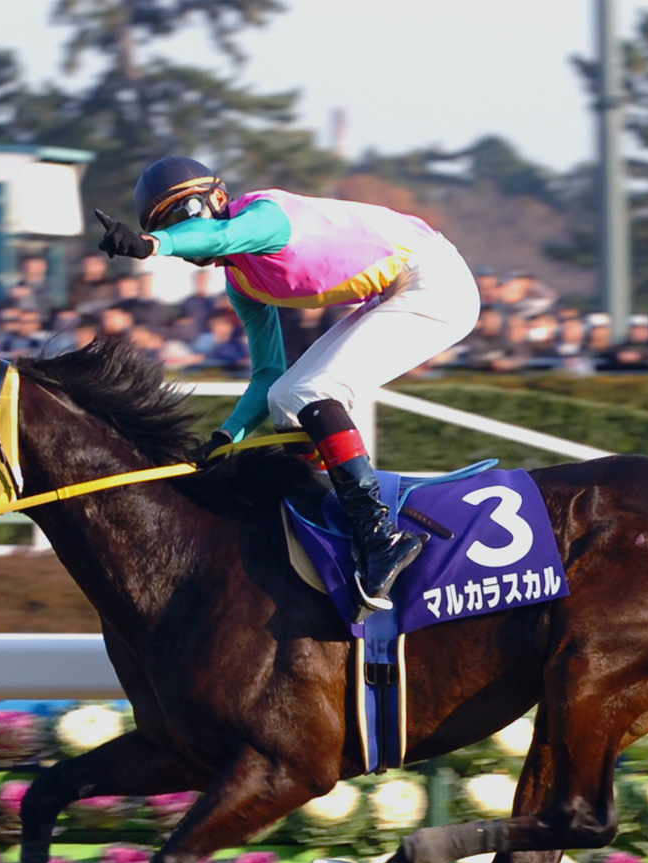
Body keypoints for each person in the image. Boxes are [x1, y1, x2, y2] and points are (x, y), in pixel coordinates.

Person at [94, 155, 480, 617]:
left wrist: (151, 243)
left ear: (219, 198)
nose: (183, 230)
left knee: (313, 391)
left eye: (185, 213)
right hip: (395, 289)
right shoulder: (240, 282)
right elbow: (267, 375)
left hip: (437, 281)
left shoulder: (265, 216)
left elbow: (220, 235)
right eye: (167, 223)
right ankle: (324, 530)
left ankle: (380, 538)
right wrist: (225, 436)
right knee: (286, 399)